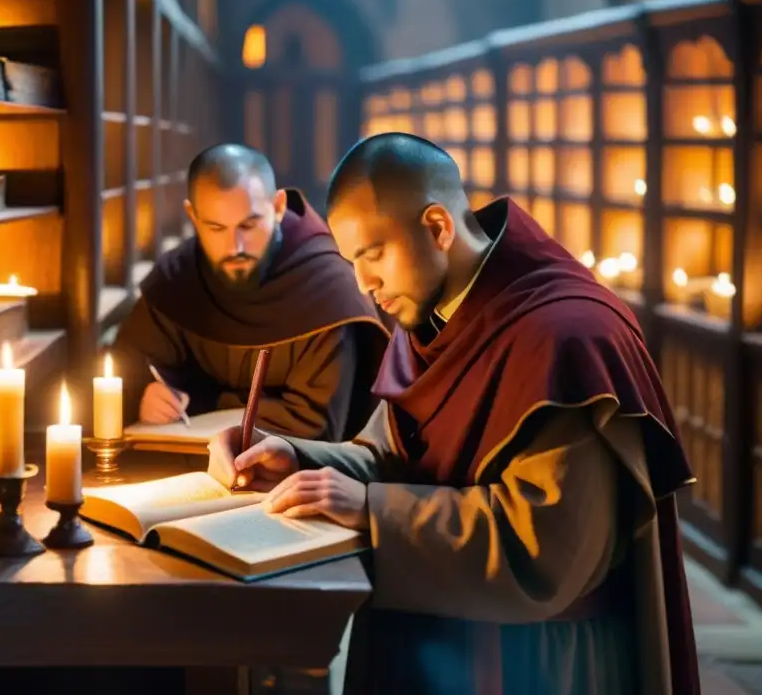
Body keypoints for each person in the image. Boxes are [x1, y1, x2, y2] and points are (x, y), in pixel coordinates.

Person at [207, 133, 701, 694]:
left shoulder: (567, 338)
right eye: (351, 262)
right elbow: (393, 454)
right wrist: (296, 458)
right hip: (439, 635)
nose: (363, 284)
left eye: (372, 255)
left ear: (438, 227)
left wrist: (373, 509)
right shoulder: (431, 312)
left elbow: (544, 546)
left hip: (534, 661)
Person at [111, 143, 388, 443]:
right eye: (216, 227)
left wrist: (207, 401)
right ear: (193, 216)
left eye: (249, 224)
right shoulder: (177, 280)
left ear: (278, 207)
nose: (235, 247)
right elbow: (123, 374)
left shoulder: (326, 288)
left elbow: (315, 427)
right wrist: (144, 395)